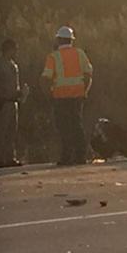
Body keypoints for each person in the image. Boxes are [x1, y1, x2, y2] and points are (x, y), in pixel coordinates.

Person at [41, 25, 93, 165]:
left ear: (58, 40)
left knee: (64, 127)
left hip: (60, 97)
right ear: (71, 40)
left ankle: (66, 157)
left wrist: (48, 97)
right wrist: (85, 92)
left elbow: (45, 78)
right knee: (77, 125)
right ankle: (80, 156)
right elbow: (88, 75)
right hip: (77, 96)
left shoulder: (53, 57)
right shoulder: (80, 53)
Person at [0, 38, 25, 167]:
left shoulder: (13, 65)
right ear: (9, 49)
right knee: (0, 132)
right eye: (15, 49)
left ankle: (10, 157)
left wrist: (20, 93)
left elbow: (15, 85)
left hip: (13, 101)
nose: (16, 51)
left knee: (11, 131)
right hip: (1, 102)